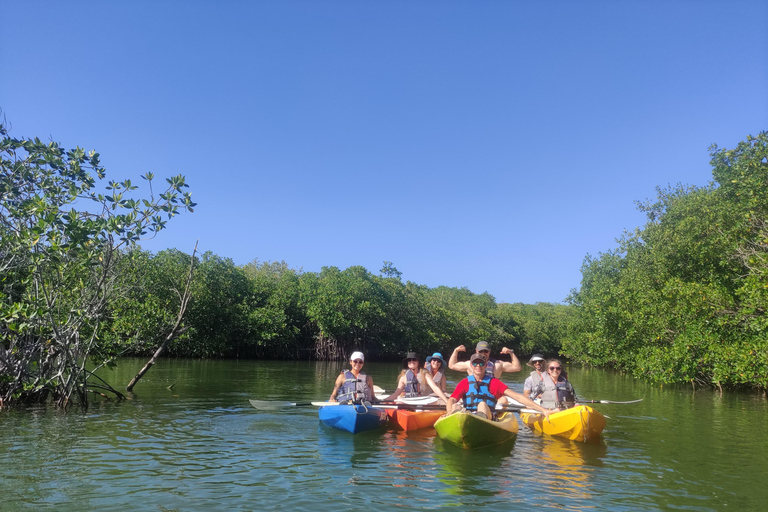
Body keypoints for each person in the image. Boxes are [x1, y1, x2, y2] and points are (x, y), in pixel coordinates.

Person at [446, 353, 551, 420]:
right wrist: (449, 411)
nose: (478, 366)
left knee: (482, 404)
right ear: (471, 366)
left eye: (481, 363)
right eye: (475, 363)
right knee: (455, 406)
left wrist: (543, 410)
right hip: (467, 416)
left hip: (486, 418)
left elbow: (517, 397)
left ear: (486, 365)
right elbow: (452, 399)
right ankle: (456, 421)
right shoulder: (464, 382)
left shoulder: (494, 383)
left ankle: (478, 421)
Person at [381, 352, 450, 403]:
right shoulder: (403, 377)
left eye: (414, 359)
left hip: (424, 400)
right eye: (409, 360)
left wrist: (447, 401)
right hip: (409, 400)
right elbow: (396, 393)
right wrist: (384, 401)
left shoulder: (425, 374)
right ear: (407, 363)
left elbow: (435, 388)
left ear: (418, 362)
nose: (411, 361)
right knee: (399, 403)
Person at [448, 340, 521, 379]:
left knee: (504, 400)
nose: (483, 353)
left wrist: (511, 352)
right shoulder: (469, 364)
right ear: (476, 351)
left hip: (491, 394)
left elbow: (517, 368)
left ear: (489, 351)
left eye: (485, 351)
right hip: (475, 393)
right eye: (480, 351)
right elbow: (452, 366)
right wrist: (456, 351)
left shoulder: (498, 364)